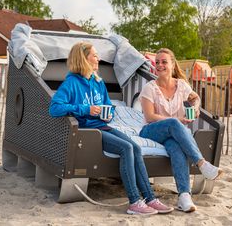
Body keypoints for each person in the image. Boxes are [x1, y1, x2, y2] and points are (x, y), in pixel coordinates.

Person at [49, 42, 173, 215]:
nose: (98, 58)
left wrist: (108, 114)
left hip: (103, 126)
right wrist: (85, 109)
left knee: (136, 148)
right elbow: (54, 108)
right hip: (87, 132)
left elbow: (108, 105)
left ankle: (150, 198)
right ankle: (134, 202)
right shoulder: (71, 83)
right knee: (126, 148)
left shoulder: (98, 82)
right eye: (94, 55)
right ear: (84, 59)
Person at [139, 48, 223, 213]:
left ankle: (184, 196)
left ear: (172, 64)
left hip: (173, 134)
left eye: (164, 62)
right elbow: (149, 116)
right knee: (173, 123)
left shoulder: (182, 85)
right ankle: (202, 163)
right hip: (151, 131)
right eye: (157, 62)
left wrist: (196, 107)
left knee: (176, 148)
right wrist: (176, 120)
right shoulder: (149, 87)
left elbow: (195, 98)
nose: (160, 65)